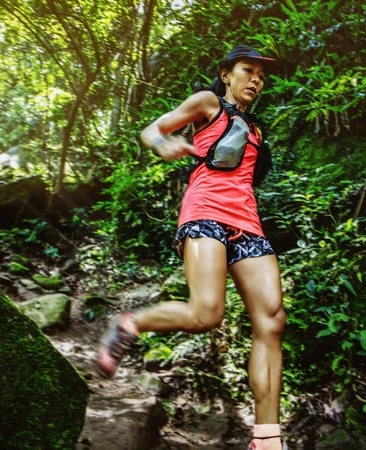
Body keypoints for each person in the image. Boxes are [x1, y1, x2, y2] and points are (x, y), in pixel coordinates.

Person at [97, 45, 287, 450]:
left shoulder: (256, 129)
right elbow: (152, 129)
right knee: (206, 313)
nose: (256, 79)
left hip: (248, 223)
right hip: (205, 211)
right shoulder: (208, 104)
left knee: (271, 320)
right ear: (226, 75)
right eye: (247, 71)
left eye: (261, 75)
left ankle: (267, 439)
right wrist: (161, 144)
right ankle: (130, 323)